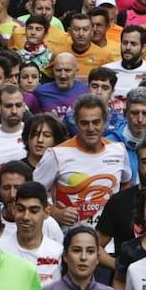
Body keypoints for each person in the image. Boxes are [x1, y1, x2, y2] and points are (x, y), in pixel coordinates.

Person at [34, 93, 131, 228]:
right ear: (76, 124)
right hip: (70, 240)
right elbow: (32, 193)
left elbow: (127, 184)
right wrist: (55, 212)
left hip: (109, 240)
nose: (91, 128)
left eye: (96, 122)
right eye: (84, 123)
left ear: (104, 122)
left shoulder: (119, 151)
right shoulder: (57, 154)